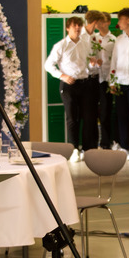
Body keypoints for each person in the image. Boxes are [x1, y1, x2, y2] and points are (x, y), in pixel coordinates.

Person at [44, 15, 98, 160]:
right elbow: (48, 65)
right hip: (69, 85)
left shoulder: (85, 43)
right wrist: (62, 76)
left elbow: (87, 65)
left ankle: (87, 149)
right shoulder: (61, 45)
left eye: (79, 25)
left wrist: (92, 64)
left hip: (85, 83)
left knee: (88, 117)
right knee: (72, 118)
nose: (77, 28)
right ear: (68, 28)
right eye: (74, 26)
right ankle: (74, 149)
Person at [86, 11, 117, 149]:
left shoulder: (113, 40)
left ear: (108, 22)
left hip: (107, 80)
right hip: (94, 78)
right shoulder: (93, 38)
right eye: (99, 22)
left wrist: (113, 81)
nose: (99, 24)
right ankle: (92, 144)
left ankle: (106, 143)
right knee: (91, 113)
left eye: (103, 22)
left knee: (105, 113)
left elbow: (115, 61)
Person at [109, 7, 129, 158]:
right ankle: (124, 146)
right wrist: (112, 82)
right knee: (122, 116)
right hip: (120, 83)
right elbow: (114, 61)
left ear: (128, 21)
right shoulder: (119, 40)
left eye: (120, 20)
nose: (118, 23)